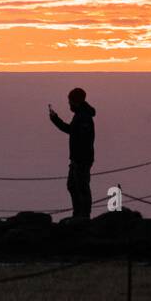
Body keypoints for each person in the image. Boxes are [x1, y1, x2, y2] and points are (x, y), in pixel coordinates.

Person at [49, 88, 96, 221]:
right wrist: (55, 119)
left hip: (81, 159)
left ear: (75, 102)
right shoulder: (81, 115)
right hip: (78, 159)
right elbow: (72, 130)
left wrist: (80, 158)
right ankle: (79, 214)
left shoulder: (83, 117)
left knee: (81, 187)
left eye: (70, 101)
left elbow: (80, 136)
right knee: (73, 185)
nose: (69, 104)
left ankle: (83, 216)